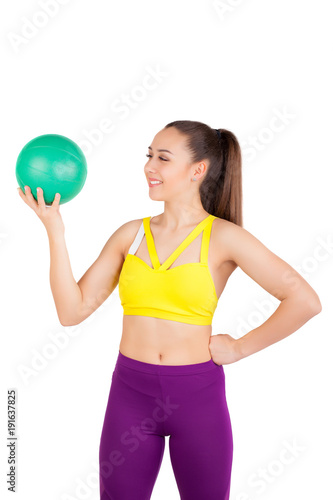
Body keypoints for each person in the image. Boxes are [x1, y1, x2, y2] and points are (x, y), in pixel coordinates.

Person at [17, 120, 322, 500]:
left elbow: (305, 301)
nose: (150, 166)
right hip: (130, 394)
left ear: (198, 170)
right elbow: (71, 311)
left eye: (163, 158)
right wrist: (54, 230)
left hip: (197, 399)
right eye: (148, 156)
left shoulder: (225, 237)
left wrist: (241, 347)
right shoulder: (131, 235)